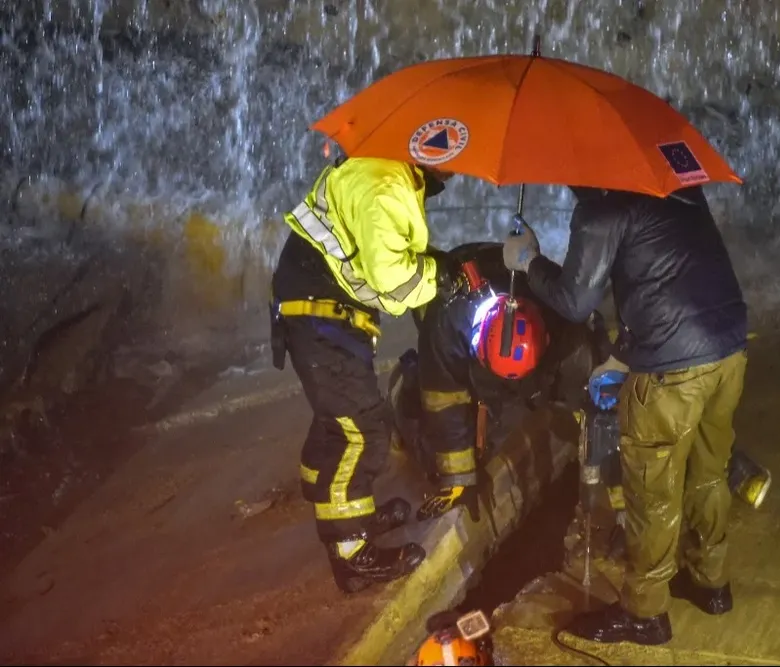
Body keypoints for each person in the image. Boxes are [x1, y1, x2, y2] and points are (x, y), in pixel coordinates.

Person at [503, 184, 750, 646]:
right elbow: (667, 279)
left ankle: (644, 614)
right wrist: (622, 354)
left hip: (671, 371)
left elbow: (575, 301)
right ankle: (711, 583)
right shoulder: (680, 190)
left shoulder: (602, 211)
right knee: (709, 471)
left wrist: (528, 260)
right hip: (729, 348)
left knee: (652, 492)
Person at [270, 155, 463, 595]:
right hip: (319, 313)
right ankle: (351, 553)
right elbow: (394, 286)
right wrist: (437, 276)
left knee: (339, 414)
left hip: (318, 303)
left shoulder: (386, 170)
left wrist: (433, 264)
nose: (460, 168)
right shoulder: (385, 186)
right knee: (360, 430)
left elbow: (375, 249)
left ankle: (343, 507)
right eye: (455, 157)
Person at [387, 241, 604, 523]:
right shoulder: (447, 323)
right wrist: (458, 478)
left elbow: (588, 377)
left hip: (512, 309)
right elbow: (445, 402)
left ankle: (508, 393)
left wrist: (593, 426)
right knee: (444, 453)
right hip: (443, 318)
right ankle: (403, 389)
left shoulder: (555, 304)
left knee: (526, 405)